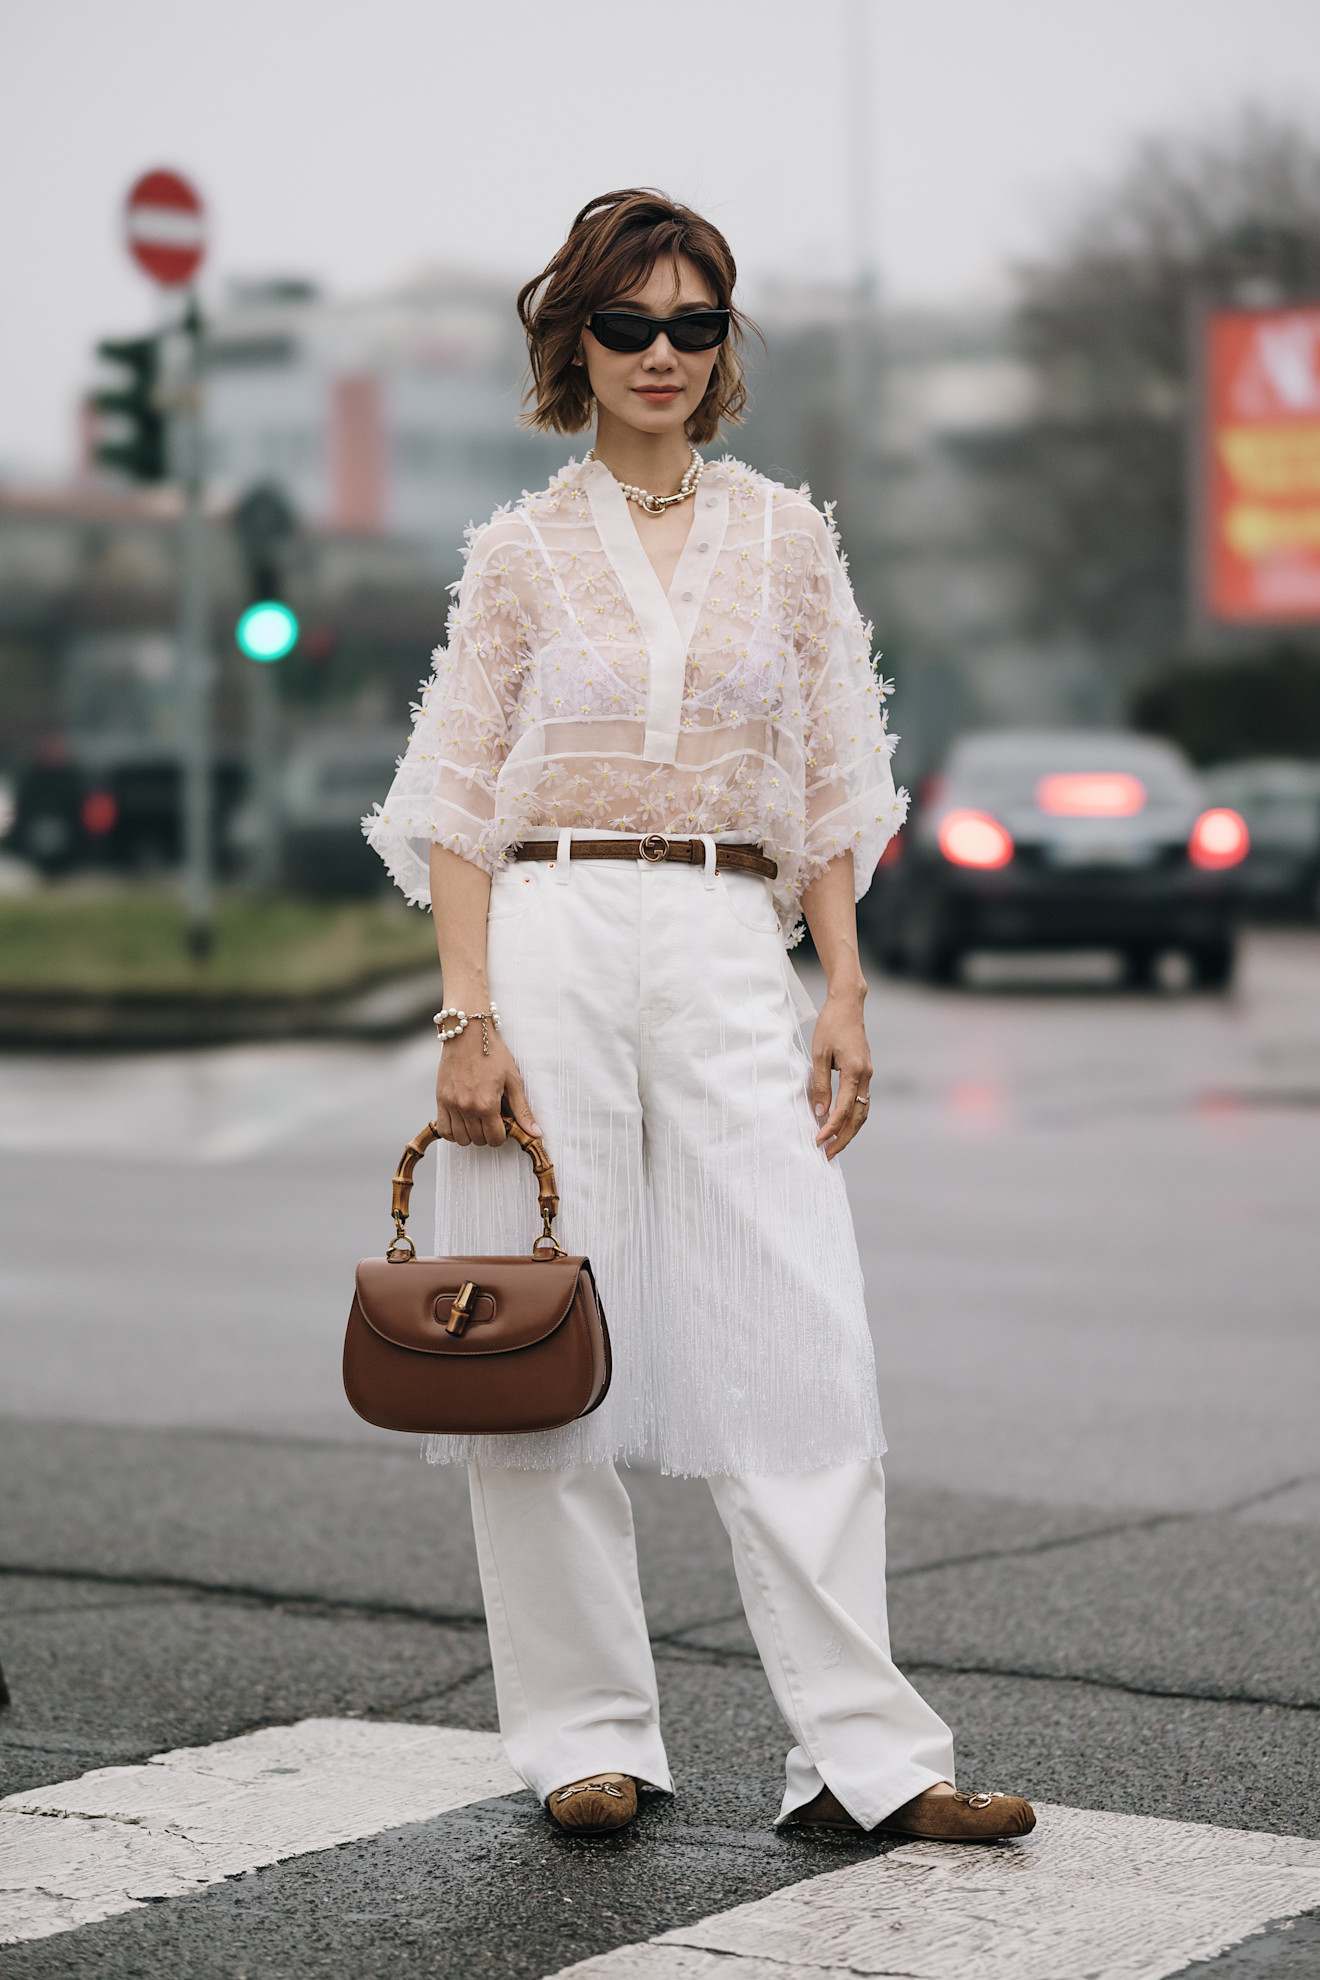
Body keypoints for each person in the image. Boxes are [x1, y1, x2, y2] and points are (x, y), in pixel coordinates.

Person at [366, 188, 1034, 1843]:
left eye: (695, 324)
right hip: (552, 928)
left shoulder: (789, 540)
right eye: (629, 324)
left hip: (732, 935)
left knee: (800, 1324)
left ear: (727, 347)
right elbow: (456, 799)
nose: (662, 354)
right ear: (572, 343)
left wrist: (848, 990)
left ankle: (869, 1760)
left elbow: (826, 785)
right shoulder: (519, 554)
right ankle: (585, 1733)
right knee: (535, 1334)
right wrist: (468, 1017)